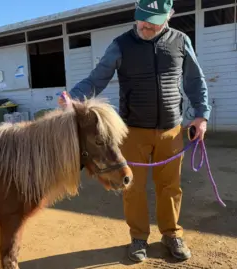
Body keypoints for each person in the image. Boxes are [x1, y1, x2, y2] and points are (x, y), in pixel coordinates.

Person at [58, 0, 211, 263]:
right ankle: (138, 237)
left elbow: (195, 80)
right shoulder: (121, 44)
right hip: (133, 132)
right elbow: (97, 78)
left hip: (171, 131)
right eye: (141, 18)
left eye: (152, 21)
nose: (144, 25)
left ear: (168, 17)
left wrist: (201, 115)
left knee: (170, 187)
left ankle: (171, 234)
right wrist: (73, 98)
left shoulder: (180, 41)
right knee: (133, 187)